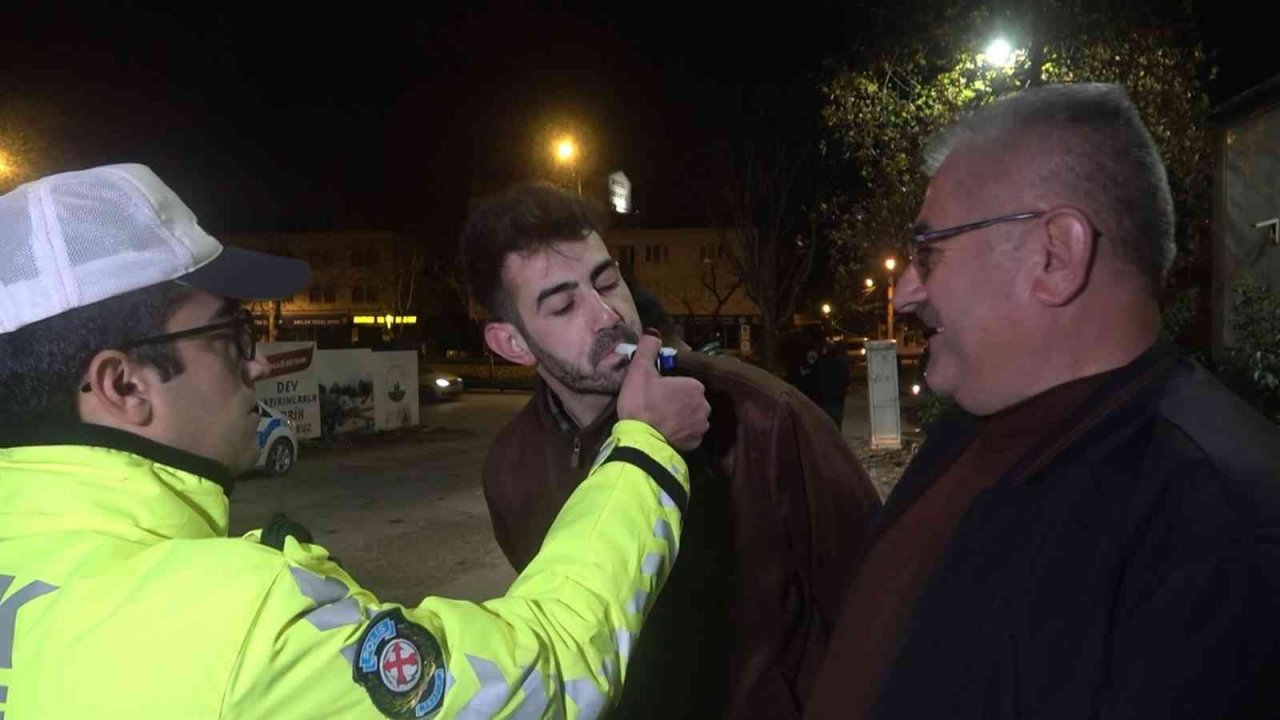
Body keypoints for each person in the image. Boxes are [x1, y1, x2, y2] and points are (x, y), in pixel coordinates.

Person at [0, 164, 710, 719]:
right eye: (231, 336)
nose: (256, 361)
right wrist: (646, 449)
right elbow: (545, 675)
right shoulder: (235, 629)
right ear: (125, 386)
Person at [806, 83, 1280, 720]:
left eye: (929, 250)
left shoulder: (1215, 528)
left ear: (1056, 255)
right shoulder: (970, 432)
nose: (907, 292)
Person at [460, 182, 882, 719]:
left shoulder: (762, 416)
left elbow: (877, 608)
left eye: (608, 282)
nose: (607, 315)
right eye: (564, 305)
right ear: (512, 343)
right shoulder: (510, 469)